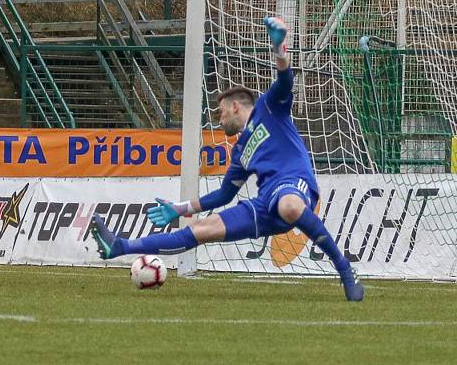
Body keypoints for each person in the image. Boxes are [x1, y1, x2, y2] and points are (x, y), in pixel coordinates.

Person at [90, 17, 364, 302]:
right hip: (265, 204)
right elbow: (223, 194)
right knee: (200, 229)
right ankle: (119, 247)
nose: (219, 120)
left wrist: (279, 47)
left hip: (294, 186)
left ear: (235, 107)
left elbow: (285, 80)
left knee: (290, 204)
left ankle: (345, 270)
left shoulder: (269, 108)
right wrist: (180, 208)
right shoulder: (241, 150)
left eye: (220, 113)